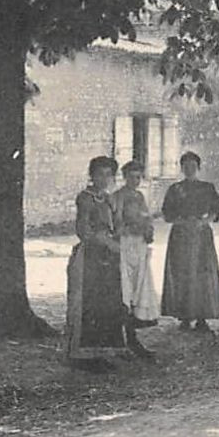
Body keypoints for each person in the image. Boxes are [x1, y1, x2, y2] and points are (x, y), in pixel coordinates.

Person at [66, 156, 150, 365]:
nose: (103, 179)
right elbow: (83, 230)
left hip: (110, 256)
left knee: (108, 303)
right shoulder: (86, 198)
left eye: (108, 175)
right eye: (99, 174)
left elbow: (117, 225)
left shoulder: (109, 198)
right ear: (91, 176)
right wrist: (104, 241)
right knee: (89, 303)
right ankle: (83, 355)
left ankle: (103, 350)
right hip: (91, 256)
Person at [160, 150, 219, 332]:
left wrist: (203, 221)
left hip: (201, 236)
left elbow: (216, 211)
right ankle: (185, 317)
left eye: (193, 166)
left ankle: (203, 317)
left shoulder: (207, 188)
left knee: (203, 274)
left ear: (199, 168)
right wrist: (182, 221)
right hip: (180, 236)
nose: (189, 170)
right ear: (181, 168)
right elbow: (167, 214)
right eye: (186, 166)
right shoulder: (174, 189)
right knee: (183, 273)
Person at [114, 160, 160, 339]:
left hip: (139, 241)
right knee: (126, 275)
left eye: (139, 177)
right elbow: (117, 220)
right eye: (132, 177)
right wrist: (127, 228)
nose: (136, 181)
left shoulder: (140, 196)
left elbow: (147, 216)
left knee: (140, 276)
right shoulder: (119, 196)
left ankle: (138, 313)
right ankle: (126, 312)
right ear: (125, 177)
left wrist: (148, 229)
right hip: (126, 240)